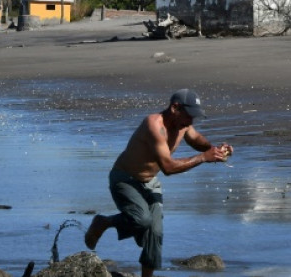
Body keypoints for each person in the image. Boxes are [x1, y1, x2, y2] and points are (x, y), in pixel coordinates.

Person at [84, 89, 233, 277]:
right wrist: (203, 158)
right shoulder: (154, 125)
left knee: (155, 232)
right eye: (189, 116)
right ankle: (104, 222)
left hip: (150, 182)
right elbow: (168, 168)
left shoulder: (183, 124)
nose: (190, 122)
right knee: (142, 219)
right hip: (125, 179)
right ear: (175, 108)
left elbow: (196, 139)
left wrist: (215, 149)